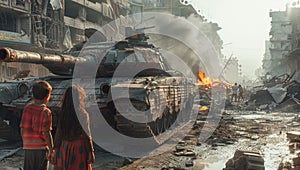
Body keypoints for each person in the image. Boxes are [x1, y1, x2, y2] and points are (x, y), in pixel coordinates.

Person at [51, 85, 95, 170]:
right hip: (79, 148)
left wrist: (55, 150)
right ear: (79, 98)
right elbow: (86, 135)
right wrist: (90, 151)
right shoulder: (82, 114)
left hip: (64, 147)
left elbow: (58, 133)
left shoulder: (62, 114)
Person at [20, 80, 54, 170]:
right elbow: (46, 133)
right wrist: (51, 149)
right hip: (41, 149)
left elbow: (22, 128)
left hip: (28, 148)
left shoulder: (27, 108)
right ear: (47, 97)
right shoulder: (46, 112)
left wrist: (26, 142)